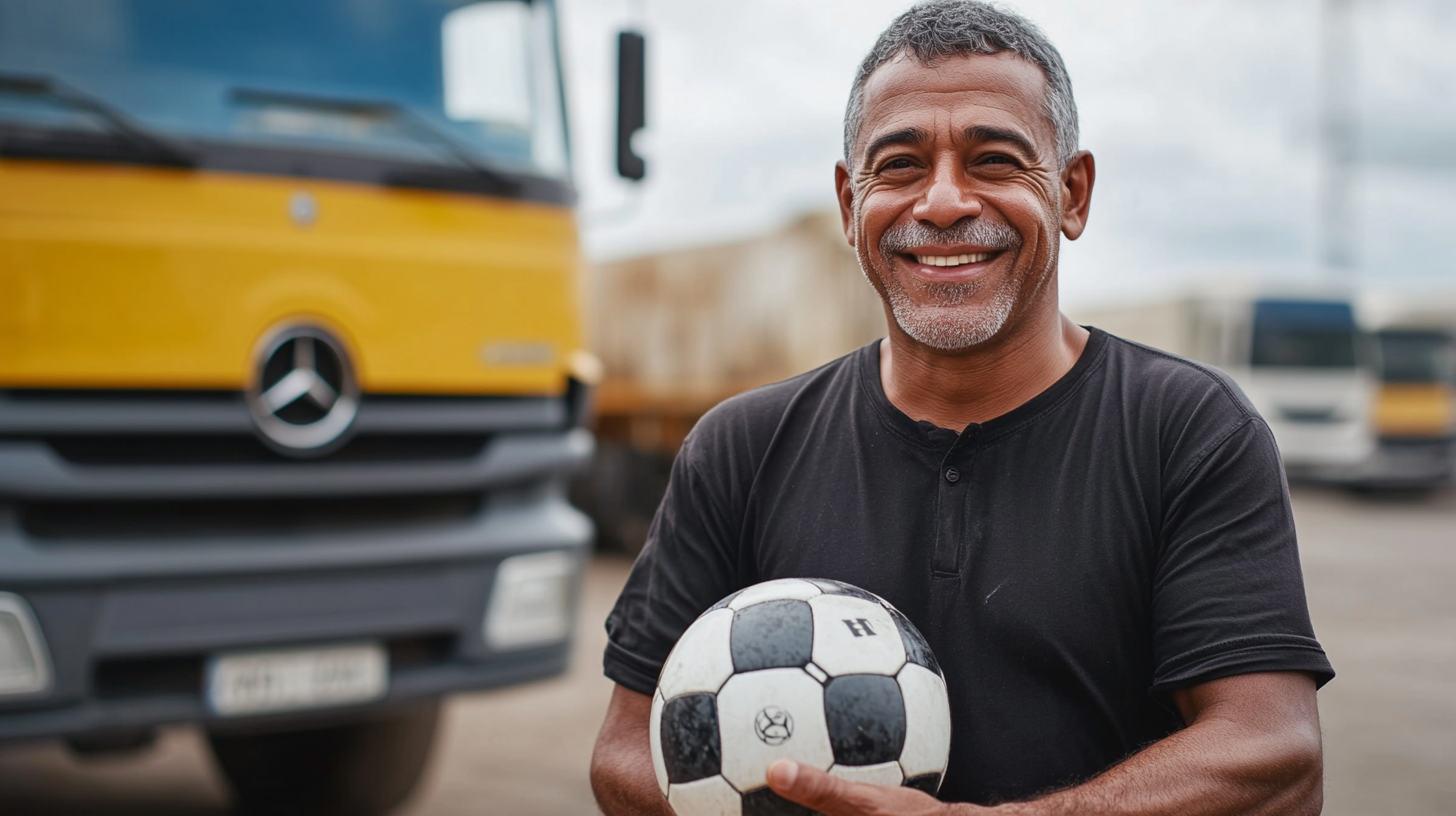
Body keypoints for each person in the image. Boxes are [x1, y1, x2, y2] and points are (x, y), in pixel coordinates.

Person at [590, 2, 1334, 814]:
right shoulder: (739, 447)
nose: (943, 202)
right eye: (901, 165)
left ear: (1072, 193)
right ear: (849, 204)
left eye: (995, 160)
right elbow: (626, 751)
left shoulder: (1189, 433)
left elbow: (1275, 756)